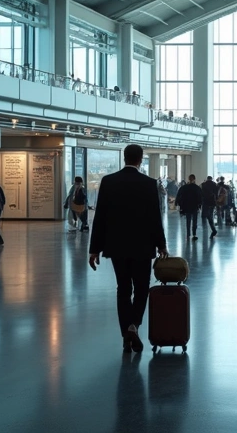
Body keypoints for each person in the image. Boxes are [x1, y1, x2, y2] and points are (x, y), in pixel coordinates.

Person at [88, 144, 169, 353]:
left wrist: (94, 248)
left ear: (124, 158)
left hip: (117, 247)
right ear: (140, 159)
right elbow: (155, 218)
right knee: (142, 289)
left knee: (123, 289)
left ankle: (126, 333)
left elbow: (100, 217)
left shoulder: (108, 182)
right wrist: (162, 244)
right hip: (143, 246)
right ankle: (134, 326)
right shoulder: (149, 184)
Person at [175, 175, 203, 241]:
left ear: (188, 179)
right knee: (194, 221)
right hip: (194, 207)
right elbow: (200, 197)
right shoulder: (197, 188)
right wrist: (200, 205)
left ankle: (188, 234)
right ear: (194, 179)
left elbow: (179, 195)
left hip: (187, 206)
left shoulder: (184, 187)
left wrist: (178, 203)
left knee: (188, 221)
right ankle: (194, 234)